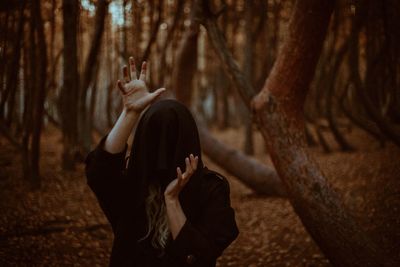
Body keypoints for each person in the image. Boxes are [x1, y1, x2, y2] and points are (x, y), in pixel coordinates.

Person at [85, 57, 239, 267]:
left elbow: (198, 257)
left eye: (171, 142)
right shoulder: (133, 185)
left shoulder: (212, 191)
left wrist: (172, 200)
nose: (162, 158)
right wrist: (129, 114)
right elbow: (99, 173)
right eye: (154, 141)